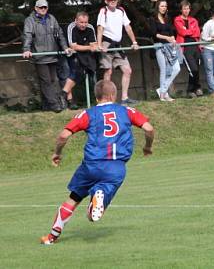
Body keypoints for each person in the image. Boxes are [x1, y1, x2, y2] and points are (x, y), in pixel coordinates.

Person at [39, 80, 155, 245]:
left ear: (96, 96)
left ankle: (51, 237)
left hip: (91, 166)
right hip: (115, 168)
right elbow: (149, 129)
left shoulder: (88, 114)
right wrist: (147, 147)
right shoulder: (127, 111)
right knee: (93, 214)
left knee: (73, 198)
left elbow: (64, 135)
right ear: (113, 95)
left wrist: (57, 153)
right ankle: (98, 194)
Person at [22, 0, 73, 112]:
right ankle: (55, 105)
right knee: (46, 81)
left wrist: (65, 47)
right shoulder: (30, 21)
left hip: (52, 55)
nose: (43, 9)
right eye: (41, 7)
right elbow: (27, 35)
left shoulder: (51, 18)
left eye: (45, 7)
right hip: (40, 57)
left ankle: (46, 106)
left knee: (52, 80)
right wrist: (26, 49)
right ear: (36, 8)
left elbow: (59, 34)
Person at [96, 0, 140, 105]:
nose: (113, 1)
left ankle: (125, 98)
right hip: (107, 43)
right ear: (106, 1)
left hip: (117, 45)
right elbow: (100, 28)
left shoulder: (121, 11)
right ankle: (106, 99)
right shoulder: (103, 11)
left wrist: (134, 42)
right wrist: (99, 45)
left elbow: (128, 27)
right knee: (108, 71)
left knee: (127, 70)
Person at [62, 12, 99, 110]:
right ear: (76, 21)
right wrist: (88, 47)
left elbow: (94, 44)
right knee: (73, 73)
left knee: (86, 73)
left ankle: (63, 94)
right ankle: (68, 100)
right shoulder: (71, 27)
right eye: (81, 22)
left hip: (84, 53)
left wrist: (90, 47)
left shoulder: (90, 28)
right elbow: (73, 46)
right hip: (69, 52)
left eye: (85, 22)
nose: (83, 25)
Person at [149, 0, 180, 102]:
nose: (164, 8)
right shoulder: (153, 19)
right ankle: (163, 95)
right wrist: (166, 38)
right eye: (162, 6)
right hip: (159, 46)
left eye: (165, 6)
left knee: (176, 68)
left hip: (170, 46)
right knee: (164, 70)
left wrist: (173, 39)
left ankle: (162, 90)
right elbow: (154, 34)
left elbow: (171, 32)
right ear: (157, 6)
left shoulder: (167, 18)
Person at [174, 0, 203, 98]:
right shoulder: (177, 19)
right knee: (192, 68)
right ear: (181, 10)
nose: (186, 11)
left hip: (195, 45)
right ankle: (192, 89)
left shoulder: (193, 20)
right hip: (185, 46)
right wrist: (190, 31)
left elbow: (197, 33)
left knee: (197, 68)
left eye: (188, 8)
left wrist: (188, 31)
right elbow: (182, 32)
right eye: (184, 9)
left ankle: (195, 89)